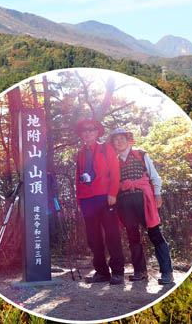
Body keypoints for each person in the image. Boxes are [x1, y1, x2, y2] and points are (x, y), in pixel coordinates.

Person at [108, 128, 173, 285]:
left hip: (143, 198)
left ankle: (167, 272)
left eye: (122, 138)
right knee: (132, 236)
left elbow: (154, 176)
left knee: (155, 233)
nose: (119, 141)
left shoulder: (140, 154)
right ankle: (140, 271)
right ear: (113, 144)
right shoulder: (114, 161)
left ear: (127, 139)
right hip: (124, 201)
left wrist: (157, 194)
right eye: (116, 139)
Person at [74, 118, 125, 285]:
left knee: (112, 235)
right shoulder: (80, 153)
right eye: (85, 130)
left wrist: (112, 193)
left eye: (91, 130)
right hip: (87, 200)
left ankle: (117, 272)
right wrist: (79, 199)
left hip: (104, 196)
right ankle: (101, 272)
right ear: (81, 134)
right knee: (93, 237)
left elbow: (115, 172)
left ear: (97, 133)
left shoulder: (105, 148)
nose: (87, 132)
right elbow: (78, 177)